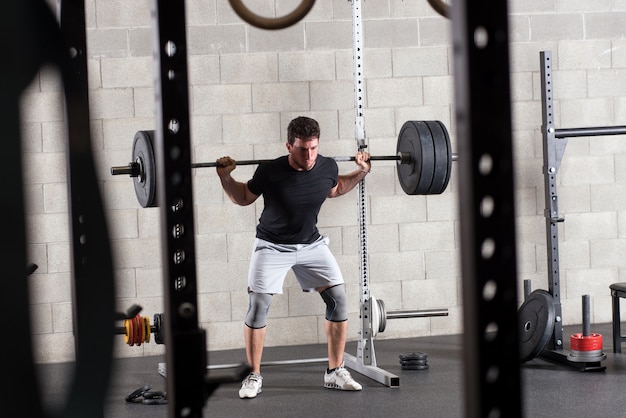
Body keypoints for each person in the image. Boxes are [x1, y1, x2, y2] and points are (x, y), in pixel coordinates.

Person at [216, 116, 371, 399]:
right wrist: (226, 177)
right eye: (302, 149)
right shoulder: (270, 171)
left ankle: (335, 371)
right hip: (271, 245)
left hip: (310, 244)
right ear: (289, 145)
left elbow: (334, 188)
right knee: (259, 304)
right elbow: (243, 197)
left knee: (338, 299)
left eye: (313, 148)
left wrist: (361, 172)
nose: (309, 155)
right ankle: (253, 375)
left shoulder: (327, 166)